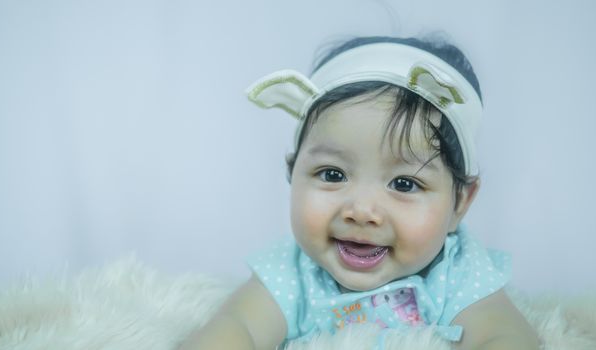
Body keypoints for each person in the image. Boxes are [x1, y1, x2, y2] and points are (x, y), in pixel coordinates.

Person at [179, 36, 540, 350]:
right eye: (333, 174)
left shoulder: (456, 272)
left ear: (460, 203)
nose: (362, 211)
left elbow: (502, 335)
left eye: (404, 183)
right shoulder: (294, 274)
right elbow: (236, 327)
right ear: (293, 174)